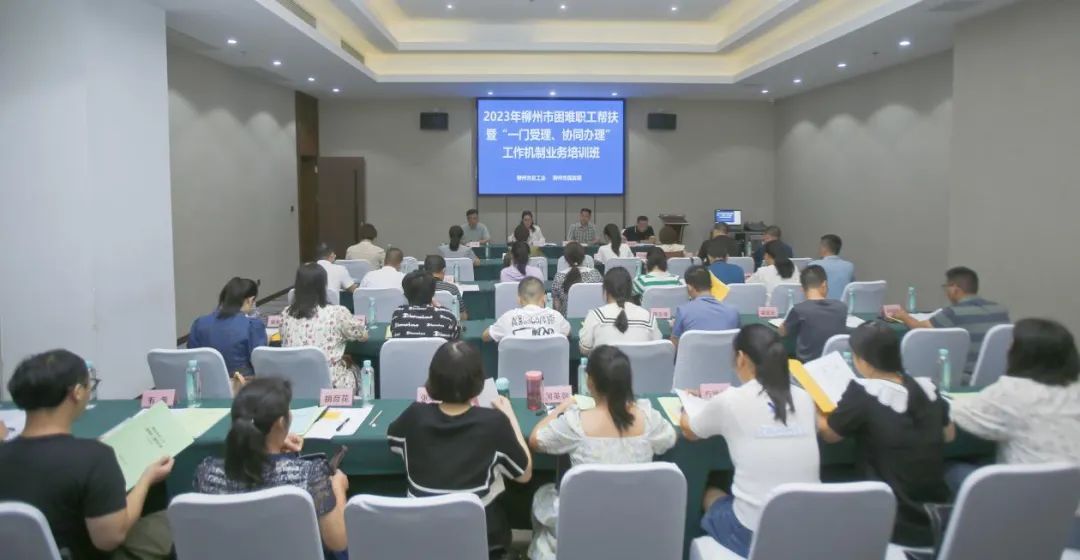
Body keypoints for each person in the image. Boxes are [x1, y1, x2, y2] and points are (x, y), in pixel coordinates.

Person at [0, 349, 175, 560]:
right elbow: (110, 538)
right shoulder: (94, 458)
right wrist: (146, 479)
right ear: (76, 393)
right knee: (172, 521)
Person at [680, 325, 820, 558]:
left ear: (741, 358)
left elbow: (689, 431)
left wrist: (686, 405)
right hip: (806, 529)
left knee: (708, 491)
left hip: (752, 534)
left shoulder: (731, 401)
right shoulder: (804, 398)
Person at [528, 345, 676, 559]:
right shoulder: (648, 418)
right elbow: (669, 439)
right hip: (636, 522)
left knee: (542, 495)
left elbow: (535, 440)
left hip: (584, 527)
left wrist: (561, 407)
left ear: (590, 382)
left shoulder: (575, 422)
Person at [388, 341, 532, 557]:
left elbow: (392, 442)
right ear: (478, 381)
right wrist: (509, 415)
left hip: (422, 537)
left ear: (432, 379)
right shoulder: (494, 422)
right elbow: (524, 474)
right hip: (482, 540)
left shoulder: (415, 416)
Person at [817, 322, 954, 547]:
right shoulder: (927, 387)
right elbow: (949, 435)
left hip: (891, 521)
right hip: (936, 519)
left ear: (863, 361)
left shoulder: (864, 391)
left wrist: (817, 411)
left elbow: (830, 435)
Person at [194, 378, 348, 555]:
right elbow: (338, 541)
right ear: (281, 422)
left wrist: (275, 442)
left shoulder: (207, 473)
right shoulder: (311, 475)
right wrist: (337, 486)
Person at [948, 319, 1080, 496]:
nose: (1007, 349)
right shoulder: (1075, 390)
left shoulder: (1010, 391)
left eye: (1012, 344)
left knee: (948, 467)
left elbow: (956, 413)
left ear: (1024, 354)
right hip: (1071, 499)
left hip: (1024, 498)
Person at [889, 266, 1010, 376]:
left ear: (954, 288)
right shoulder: (1001, 310)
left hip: (965, 377)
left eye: (946, 287)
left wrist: (903, 316)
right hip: (999, 377)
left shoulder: (953, 313)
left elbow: (921, 329)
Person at [281, 263, 368, 390]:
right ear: (323, 286)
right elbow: (363, 336)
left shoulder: (285, 313)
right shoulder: (337, 312)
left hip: (295, 384)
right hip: (331, 387)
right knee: (358, 369)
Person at [188, 277, 267, 377]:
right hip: (243, 383)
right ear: (250, 300)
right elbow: (261, 362)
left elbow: (192, 357)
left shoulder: (199, 323)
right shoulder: (253, 326)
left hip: (206, 382)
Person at [579, 267, 661, 355]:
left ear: (605, 290)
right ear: (630, 290)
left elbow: (584, 349)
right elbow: (658, 347)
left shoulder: (595, 316)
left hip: (605, 364)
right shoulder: (648, 317)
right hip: (641, 364)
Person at [778, 265, 848, 362]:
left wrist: (783, 325)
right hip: (835, 363)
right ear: (824, 285)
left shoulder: (799, 309)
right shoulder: (842, 307)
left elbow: (783, 332)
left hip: (807, 366)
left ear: (802, 288)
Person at [670, 266, 740, 348]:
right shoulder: (733, 312)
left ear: (689, 287)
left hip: (694, 356)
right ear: (711, 284)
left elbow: (674, 345)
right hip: (724, 356)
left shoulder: (683, 311)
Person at [483, 277, 570, 342]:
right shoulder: (556, 317)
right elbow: (568, 332)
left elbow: (485, 336)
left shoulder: (507, 318)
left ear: (519, 300)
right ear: (545, 298)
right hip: (550, 362)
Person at [390, 270, 460, 340]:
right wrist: (441, 309)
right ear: (433, 293)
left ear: (405, 294)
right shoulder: (448, 316)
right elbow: (456, 338)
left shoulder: (398, 314)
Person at [551, 242, 602, 316]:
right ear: (584, 257)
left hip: (567, 319)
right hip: (592, 317)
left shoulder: (559, 276)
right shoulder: (595, 274)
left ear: (565, 259)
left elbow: (556, 307)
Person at [808, 234, 854, 300]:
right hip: (842, 306)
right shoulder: (849, 266)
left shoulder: (813, 265)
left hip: (821, 305)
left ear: (824, 248)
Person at [424, 254, 469, 320]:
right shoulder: (452, 289)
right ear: (444, 270)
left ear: (424, 270)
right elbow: (463, 316)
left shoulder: (418, 288)